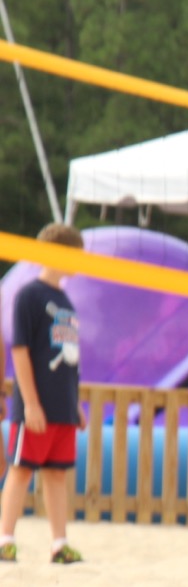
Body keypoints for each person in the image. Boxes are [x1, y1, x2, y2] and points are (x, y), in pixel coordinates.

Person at [1, 223, 86, 564]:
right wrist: (31, 404)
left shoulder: (65, 300)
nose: (81, 263)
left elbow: (69, 359)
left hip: (62, 405)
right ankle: (5, 540)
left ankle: (59, 545)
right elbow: (19, 351)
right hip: (35, 406)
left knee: (56, 473)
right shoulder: (29, 295)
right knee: (21, 469)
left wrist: (75, 404)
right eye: (76, 255)